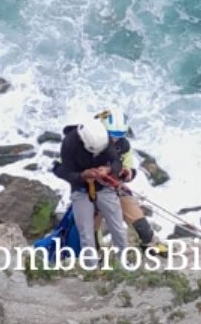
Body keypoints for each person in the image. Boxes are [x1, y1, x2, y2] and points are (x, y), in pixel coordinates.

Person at [53, 118, 128, 266]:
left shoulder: (103, 138)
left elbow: (116, 161)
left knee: (117, 227)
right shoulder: (69, 143)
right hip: (80, 189)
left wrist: (109, 170)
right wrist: (82, 176)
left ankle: (123, 261)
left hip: (104, 186)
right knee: (86, 232)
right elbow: (63, 171)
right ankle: (92, 266)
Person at [95, 108, 166, 252]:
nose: (115, 138)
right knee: (91, 228)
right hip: (90, 191)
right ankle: (95, 252)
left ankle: (148, 243)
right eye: (113, 134)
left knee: (137, 218)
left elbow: (130, 168)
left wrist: (127, 172)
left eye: (120, 134)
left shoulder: (123, 146)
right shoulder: (88, 142)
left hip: (115, 187)